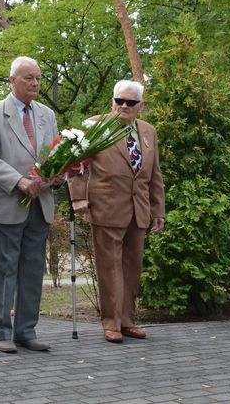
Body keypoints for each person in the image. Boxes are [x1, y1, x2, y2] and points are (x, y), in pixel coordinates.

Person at [68, 80, 165, 343]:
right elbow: (77, 165)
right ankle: (110, 322)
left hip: (139, 209)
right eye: (119, 101)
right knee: (109, 267)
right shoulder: (95, 125)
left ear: (140, 106)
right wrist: (78, 198)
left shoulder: (148, 131)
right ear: (112, 101)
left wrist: (159, 209)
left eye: (130, 102)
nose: (123, 106)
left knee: (132, 266)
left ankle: (127, 320)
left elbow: (154, 173)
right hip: (106, 206)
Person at [0, 56, 59, 354]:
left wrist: (59, 174)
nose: (35, 83)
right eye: (28, 78)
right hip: (9, 202)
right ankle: (2, 332)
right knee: (6, 268)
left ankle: (26, 330)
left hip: (41, 203)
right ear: (12, 80)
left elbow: (53, 155)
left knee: (34, 269)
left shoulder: (47, 114)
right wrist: (19, 181)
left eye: (38, 77)